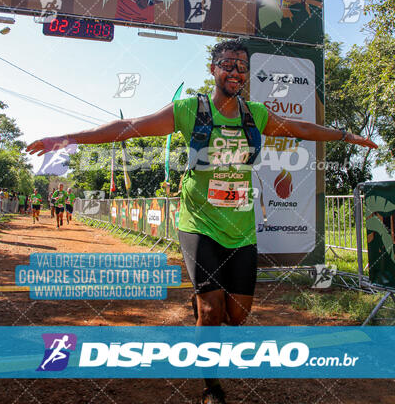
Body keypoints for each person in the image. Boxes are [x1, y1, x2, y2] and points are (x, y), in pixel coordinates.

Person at [27, 38, 377, 404]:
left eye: (242, 67)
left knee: (237, 316)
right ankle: (211, 386)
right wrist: (66, 138)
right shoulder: (191, 109)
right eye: (228, 64)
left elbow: (300, 129)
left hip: (241, 228)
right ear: (213, 69)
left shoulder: (254, 114)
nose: (235, 72)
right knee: (211, 312)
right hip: (198, 224)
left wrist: (346, 136)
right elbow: (129, 125)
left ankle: (202, 307)